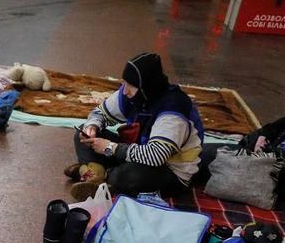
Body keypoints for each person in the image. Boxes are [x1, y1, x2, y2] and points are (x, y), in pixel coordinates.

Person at [71, 51, 204, 198]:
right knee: (82, 135)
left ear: (146, 87)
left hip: (169, 170)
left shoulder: (172, 109)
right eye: (124, 83)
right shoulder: (133, 93)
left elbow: (156, 156)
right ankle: (98, 174)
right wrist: (92, 127)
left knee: (126, 176)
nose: (125, 90)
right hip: (138, 150)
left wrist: (110, 148)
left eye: (131, 86)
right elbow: (100, 113)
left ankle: (95, 172)